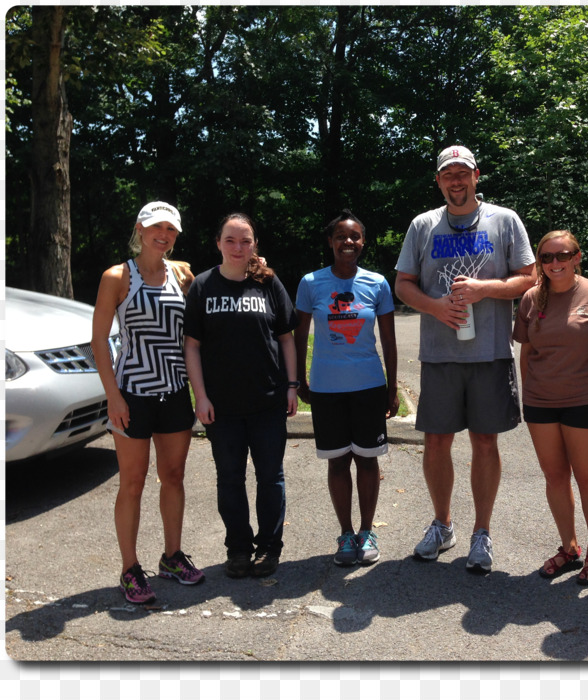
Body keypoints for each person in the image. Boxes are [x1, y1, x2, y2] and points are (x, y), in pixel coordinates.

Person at [394, 145, 536, 573]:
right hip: (439, 354)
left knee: (485, 442)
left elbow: (530, 278)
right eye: (447, 175)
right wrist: (436, 307)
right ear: (438, 181)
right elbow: (403, 284)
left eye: (463, 173)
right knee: (436, 442)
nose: (456, 181)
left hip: (489, 351)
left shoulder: (504, 220)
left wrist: (484, 289)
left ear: (477, 175)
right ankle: (443, 524)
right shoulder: (423, 225)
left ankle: (482, 533)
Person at [91, 201, 205, 605]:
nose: (164, 235)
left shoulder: (182, 273)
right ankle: (129, 568)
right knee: (132, 483)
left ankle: (172, 557)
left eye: (171, 229)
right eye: (156, 227)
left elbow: (198, 326)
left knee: (173, 476)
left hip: (174, 392)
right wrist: (113, 396)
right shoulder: (117, 277)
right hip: (132, 395)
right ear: (140, 229)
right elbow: (99, 340)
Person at [183, 213, 299, 579]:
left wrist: (292, 385)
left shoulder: (268, 283)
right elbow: (192, 347)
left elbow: (286, 338)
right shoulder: (202, 287)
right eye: (230, 240)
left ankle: (268, 548)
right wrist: (200, 396)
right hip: (223, 408)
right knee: (230, 479)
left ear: (255, 245)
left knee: (270, 478)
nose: (238, 248)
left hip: (268, 402)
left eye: (245, 241)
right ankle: (237, 548)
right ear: (218, 243)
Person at [294, 209, 400, 567]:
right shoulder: (311, 282)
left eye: (354, 236)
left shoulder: (377, 283)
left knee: (367, 460)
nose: (348, 242)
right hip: (327, 389)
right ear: (330, 242)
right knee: (338, 462)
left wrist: (391, 387)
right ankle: (345, 533)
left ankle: (367, 531)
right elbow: (299, 335)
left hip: (368, 385)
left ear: (363, 241)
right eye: (341, 236)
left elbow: (388, 339)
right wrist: (299, 379)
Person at [512, 230, 588, 586]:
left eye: (562, 255)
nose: (554, 263)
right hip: (541, 403)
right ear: (539, 262)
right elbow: (526, 351)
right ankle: (569, 548)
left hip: (585, 400)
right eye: (546, 257)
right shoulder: (530, 298)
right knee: (555, 478)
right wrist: (528, 394)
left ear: (577, 257)